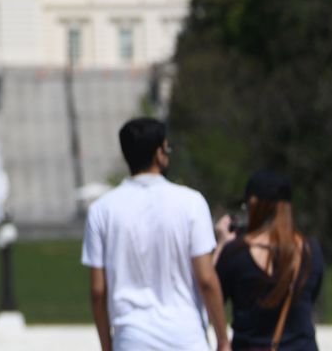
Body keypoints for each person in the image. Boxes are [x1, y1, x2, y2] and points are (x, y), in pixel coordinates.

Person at [83, 118, 228, 351]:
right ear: (159, 153)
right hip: (186, 335)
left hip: (132, 337)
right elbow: (206, 280)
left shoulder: (101, 210)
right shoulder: (191, 203)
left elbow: (98, 291)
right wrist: (222, 338)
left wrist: (107, 345)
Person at [214, 170, 323, 351]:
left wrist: (221, 245)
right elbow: (309, 297)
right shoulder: (311, 251)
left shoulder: (236, 253)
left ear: (253, 203)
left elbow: (213, 296)